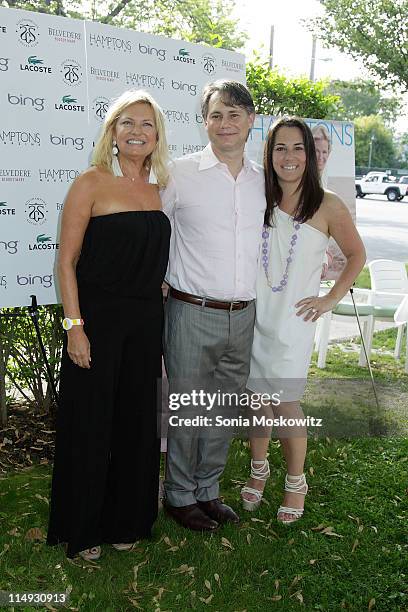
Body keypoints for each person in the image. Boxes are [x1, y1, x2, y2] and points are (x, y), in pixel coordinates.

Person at [47, 90, 171, 560]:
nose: (136, 131)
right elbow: (66, 262)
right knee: (91, 423)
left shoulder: (162, 187)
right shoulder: (90, 183)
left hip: (145, 320)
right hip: (96, 319)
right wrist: (74, 327)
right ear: (112, 133)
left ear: (157, 135)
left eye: (146, 123)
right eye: (127, 123)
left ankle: (128, 519)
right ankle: (81, 527)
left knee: (136, 422)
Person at [241, 116, 366, 523]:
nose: (289, 156)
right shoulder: (258, 196)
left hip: (295, 318)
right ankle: (259, 470)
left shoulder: (328, 204)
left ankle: (296, 482)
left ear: (310, 155)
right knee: (257, 401)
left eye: (297, 148)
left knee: (286, 402)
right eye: (280, 148)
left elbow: (356, 255)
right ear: (269, 153)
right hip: (256, 313)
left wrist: (330, 297)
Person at [161, 80, 265, 531]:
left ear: (250, 121)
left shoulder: (264, 179)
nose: (225, 124)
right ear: (205, 121)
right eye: (216, 115)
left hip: (243, 316)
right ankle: (179, 496)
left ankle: (209, 490)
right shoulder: (178, 173)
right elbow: (150, 230)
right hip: (191, 311)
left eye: (234, 115)